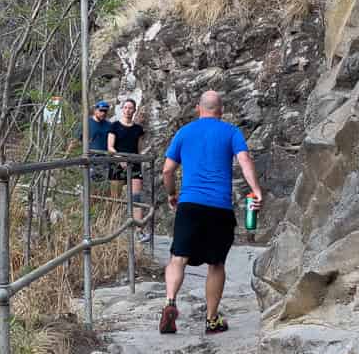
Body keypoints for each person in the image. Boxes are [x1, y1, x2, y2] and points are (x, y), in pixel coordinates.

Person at [159, 90, 262, 336]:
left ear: (198, 108)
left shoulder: (184, 132)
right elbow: (245, 160)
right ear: (221, 110)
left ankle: (170, 302)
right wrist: (256, 190)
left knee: (178, 257)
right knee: (216, 264)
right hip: (219, 207)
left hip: (190, 204)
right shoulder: (231, 132)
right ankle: (211, 319)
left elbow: (167, 171)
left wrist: (172, 194)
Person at [108, 97, 149, 240]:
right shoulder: (114, 126)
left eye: (130, 108)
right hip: (117, 164)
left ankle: (139, 230)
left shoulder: (138, 129)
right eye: (125, 107)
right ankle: (112, 229)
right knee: (116, 198)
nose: (127, 110)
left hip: (134, 164)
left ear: (134, 110)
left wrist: (141, 158)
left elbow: (139, 149)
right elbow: (110, 147)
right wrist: (120, 159)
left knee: (136, 198)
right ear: (122, 109)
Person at [87, 101, 111, 178]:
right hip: (91, 160)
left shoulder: (109, 125)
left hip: (105, 161)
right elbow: (75, 141)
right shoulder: (87, 123)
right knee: (91, 185)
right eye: (101, 110)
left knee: (103, 186)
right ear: (95, 110)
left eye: (105, 111)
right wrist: (67, 155)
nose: (103, 113)